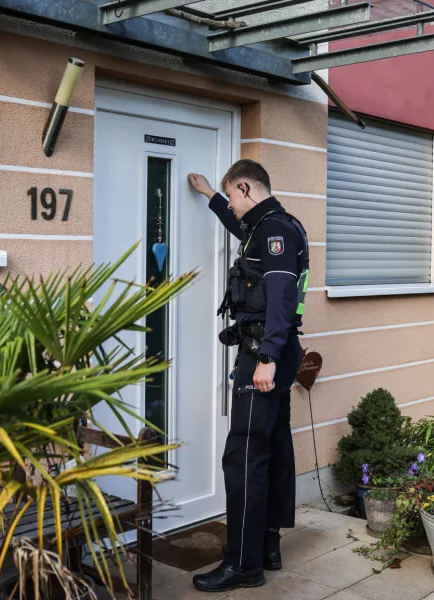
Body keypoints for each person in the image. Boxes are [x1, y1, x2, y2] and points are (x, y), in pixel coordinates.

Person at [186, 160, 310, 592]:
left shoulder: (274, 232)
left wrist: (268, 356)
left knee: (243, 454)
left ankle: (243, 564)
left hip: (264, 349)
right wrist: (211, 197)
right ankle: (268, 546)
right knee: (273, 446)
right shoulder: (275, 225)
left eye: (234, 198)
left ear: (246, 186)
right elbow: (244, 234)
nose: (235, 209)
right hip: (277, 348)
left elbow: (279, 296)